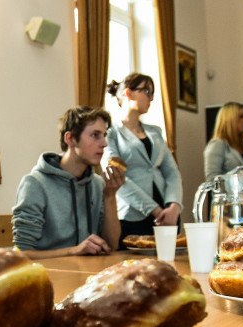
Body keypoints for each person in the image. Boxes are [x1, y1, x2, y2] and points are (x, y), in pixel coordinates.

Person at [12, 106, 125, 260]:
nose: (104, 143)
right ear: (70, 138)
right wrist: (74, 250)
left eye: (104, 135)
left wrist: (110, 196)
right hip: (51, 276)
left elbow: (111, 245)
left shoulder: (97, 184)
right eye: (95, 135)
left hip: (88, 275)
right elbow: (21, 254)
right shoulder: (35, 184)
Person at [103, 73, 183, 248]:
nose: (151, 98)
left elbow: (172, 172)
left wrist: (174, 206)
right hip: (133, 214)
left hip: (167, 214)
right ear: (128, 93)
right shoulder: (110, 134)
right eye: (147, 91)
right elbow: (116, 178)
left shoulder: (155, 132)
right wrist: (154, 210)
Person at [204, 102, 243, 180]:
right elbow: (212, 179)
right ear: (229, 120)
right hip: (229, 192)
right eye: (241, 117)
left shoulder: (241, 145)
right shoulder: (217, 144)